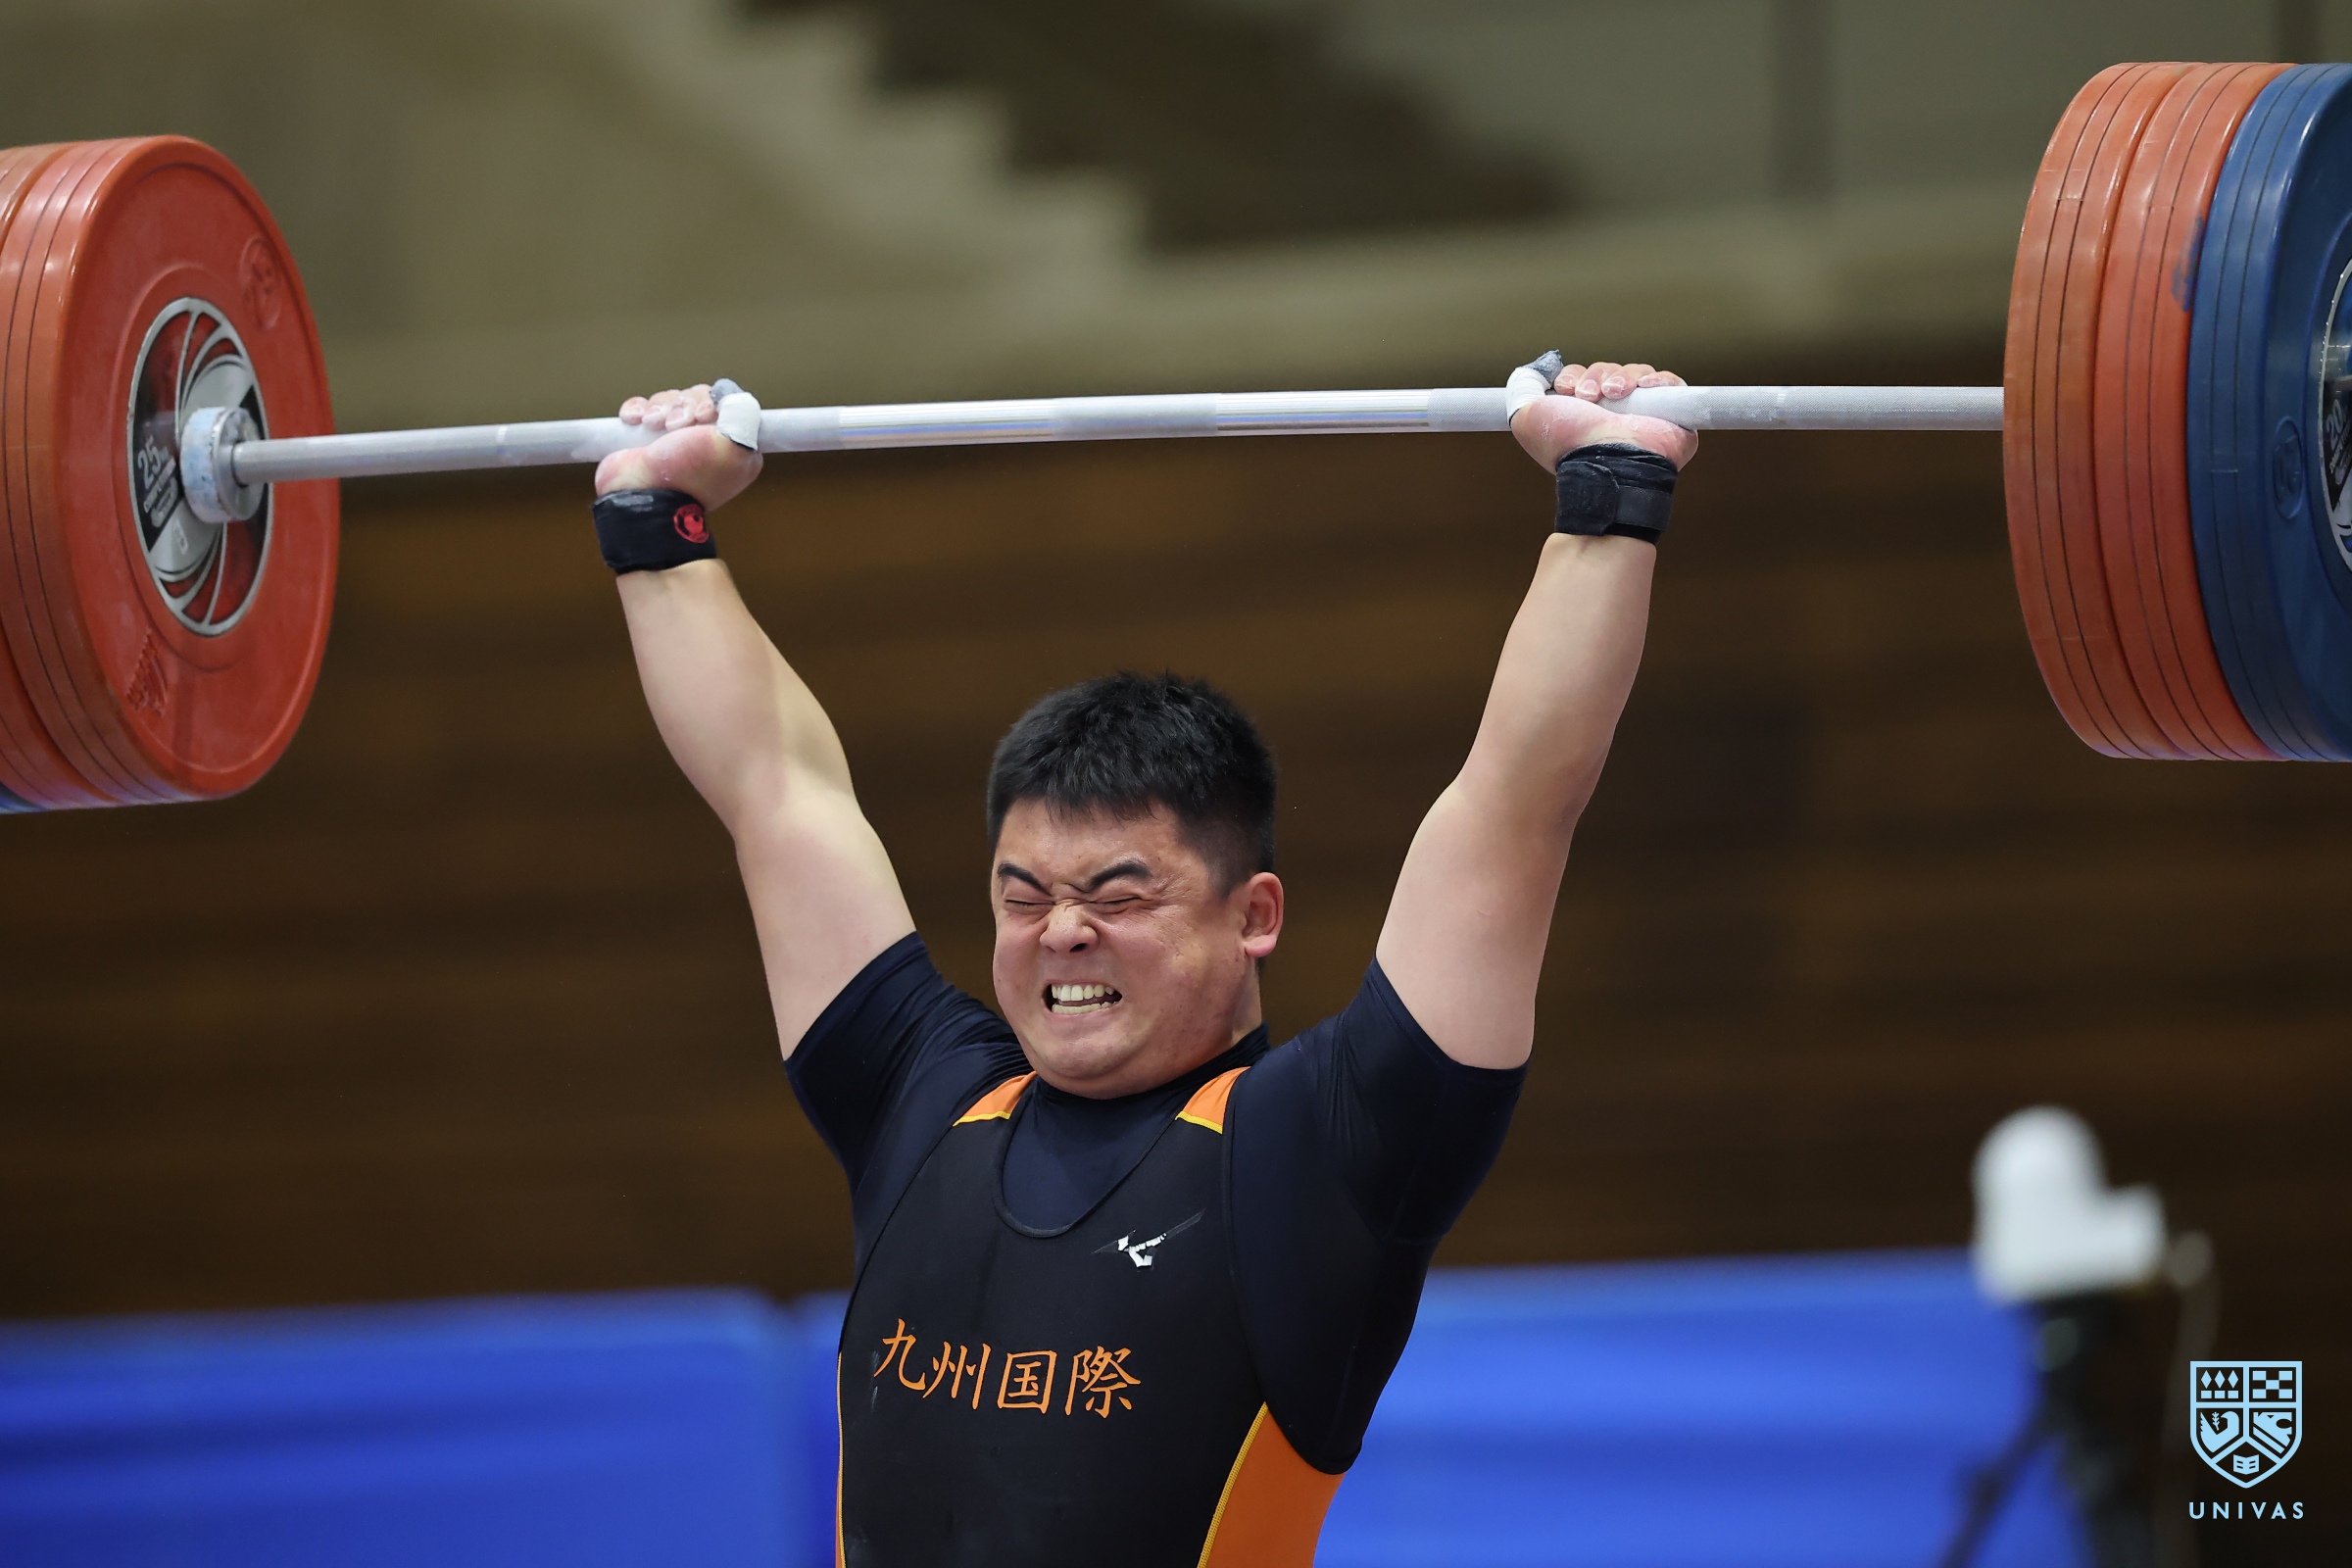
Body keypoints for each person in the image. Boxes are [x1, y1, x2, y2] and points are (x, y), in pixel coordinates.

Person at [587, 356, 1697, 1568]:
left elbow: (1515, 807)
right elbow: (773, 789)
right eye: (1024, 897)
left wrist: (1609, 494)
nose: (1062, 930)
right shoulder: (923, 1096)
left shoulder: (1323, 1152)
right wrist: (655, 519)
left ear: (1253, 914)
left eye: (1117, 897)